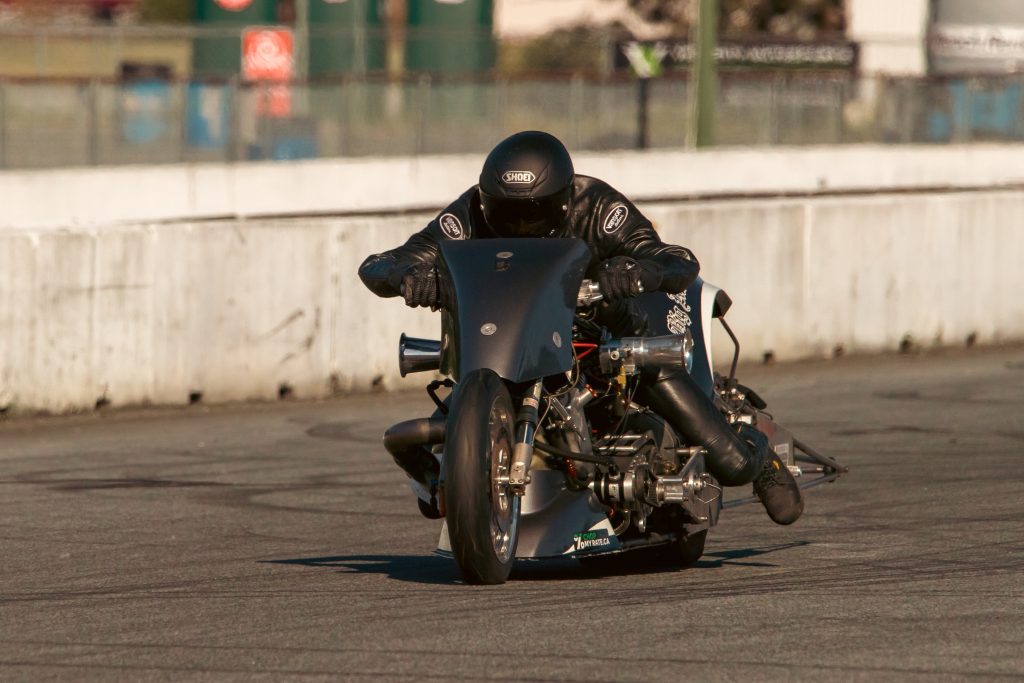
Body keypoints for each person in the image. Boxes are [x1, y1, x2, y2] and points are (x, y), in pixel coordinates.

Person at [359, 130, 803, 525]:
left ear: (562, 200)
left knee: (729, 463)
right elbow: (382, 261)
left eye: (530, 215)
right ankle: (440, 483)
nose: (518, 228)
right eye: (506, 215)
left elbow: (677, 259)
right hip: (511, 343)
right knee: (405, 439)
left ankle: (760, 456)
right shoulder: (469, 213)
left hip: (605, 341)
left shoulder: (597, 206)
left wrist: (634, 272)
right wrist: (407, 277)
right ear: (487, 199)